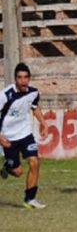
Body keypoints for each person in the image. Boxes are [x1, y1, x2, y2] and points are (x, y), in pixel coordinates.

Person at [0, 63, 48, 209]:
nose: (23, 81)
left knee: (34, 162)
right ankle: (7, 167)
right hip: (8, 137)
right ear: (15, 79)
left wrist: (43, 123)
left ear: (29, 78)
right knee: (18, 172)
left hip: (25, 134)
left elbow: (35, 108)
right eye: (20, 77)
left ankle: (30, 199)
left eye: (26, 77)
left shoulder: (33, 93)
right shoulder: (5, 95)